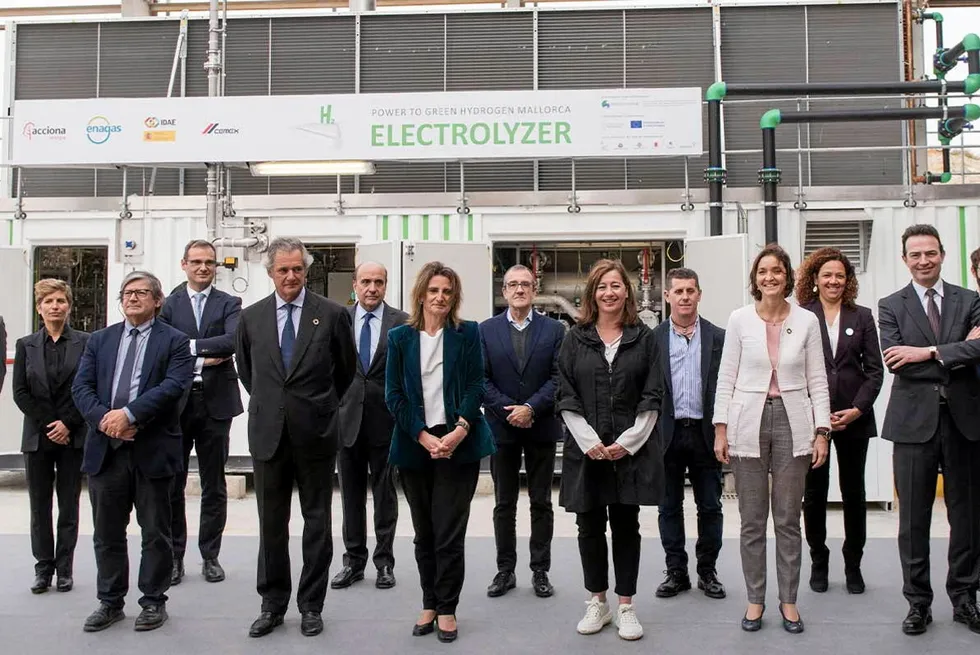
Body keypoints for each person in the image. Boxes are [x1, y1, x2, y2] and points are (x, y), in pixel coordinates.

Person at [235, 237, 356, 639]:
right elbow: (247, 372)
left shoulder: (333, 315)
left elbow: (344, 371)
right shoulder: (250, 318)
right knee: (271, 524)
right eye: (283, 269)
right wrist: (277, 405)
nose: (291, 276)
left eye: (297, 269)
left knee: (316, 523)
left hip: (316, 435)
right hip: (269, 434)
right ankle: (272, 604)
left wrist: (316, 407)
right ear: (270, 272)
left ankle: (311, 606)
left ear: (307, 271)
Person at [713, 244, 830, 635]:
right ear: (755, 278)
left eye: (777, 270)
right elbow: (726, 376)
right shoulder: (739, 319)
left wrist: (822, 431)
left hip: (794, 421)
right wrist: (721, 427)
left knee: (787, 520)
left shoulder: (807, 321)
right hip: (748, 419)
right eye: (763, 271)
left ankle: (789, 601)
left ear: (788, 276)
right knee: (751, 521)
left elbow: (818, 379)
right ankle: (755, 599)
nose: (770, 277)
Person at [71, 271, 194, 633]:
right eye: (127, 293)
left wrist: (130, 414)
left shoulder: (175, 341)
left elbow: (174, 386)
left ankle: (153, 601)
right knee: (107, 532)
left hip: (152, 448)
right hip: (106, 450)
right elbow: (82, 386)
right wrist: (106, 421)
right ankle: (110, 602)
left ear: (157, 300)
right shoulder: (100, 340)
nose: (133, 298)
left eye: (141, 293)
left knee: (155, 531)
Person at [385, 261, 496, 643]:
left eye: (447, 291)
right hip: (417, 446)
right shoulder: (399, 337)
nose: (440, 297)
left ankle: (447, 607)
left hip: (458, 445)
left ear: (455, 296)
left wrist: (460, 429)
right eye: (434, 290)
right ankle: (428, 601)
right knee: (424, 533)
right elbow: (393, 395)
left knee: (449, 533)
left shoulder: (468, 334)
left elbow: (476, 385)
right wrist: (422, 436)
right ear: (421, 294)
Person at [878, 224, 980, 636]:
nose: (924, 261)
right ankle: (918, 603)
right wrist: (957, 351)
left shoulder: (970, 299)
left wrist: (929, 351)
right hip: (912, 425)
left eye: (931, 253)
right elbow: (895, 362)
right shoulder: (890, 305)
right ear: (905, 259)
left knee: (968, 518)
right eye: (916, 254)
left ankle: (965, 598)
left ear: (942, 254)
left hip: (966, 423)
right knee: (913, 522)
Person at [556, 258, 663, 641]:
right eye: (602, 286)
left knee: (625, 526)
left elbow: (653, 394)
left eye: (616, 285)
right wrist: (590, 442)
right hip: (587, 452)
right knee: (588, 526)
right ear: (592, 293)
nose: (609, 292)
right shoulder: (575, 338)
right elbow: (565, 393)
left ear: (627, 292)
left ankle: (626, 606)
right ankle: (596, 601)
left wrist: (627, 443)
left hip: (628, 452)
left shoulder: (643, 337)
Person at [796, 248, 883, 595]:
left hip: (853, 420)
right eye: (827, 275)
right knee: (814, 495)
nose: (834, 281)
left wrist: (858, 409)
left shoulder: (861, 316)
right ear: (814, 280)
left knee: (854, 493)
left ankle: (853, 564)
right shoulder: (801, 316)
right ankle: (819, 560)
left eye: (840, 276)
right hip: (812, 420)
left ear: (848, 281)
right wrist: (817, 416)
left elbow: (875, 371)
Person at [161, 239, 243, 586]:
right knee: (172, 484)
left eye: (209, 262)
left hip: (216, 405)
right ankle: (175, 557)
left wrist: (186, 349)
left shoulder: (230, 303)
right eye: (196, 262)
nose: (203, 268)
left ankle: (210, 556)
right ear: (184, 264)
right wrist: (200, 354)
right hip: (175, 404)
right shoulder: (167, 305)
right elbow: (162, 344)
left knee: (214, 484)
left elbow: (233, 340)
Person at [480, 264, 564, 599]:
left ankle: (540, 570)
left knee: (542, 502)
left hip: (541, 425)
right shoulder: (485, 330)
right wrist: (510, 411)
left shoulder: (554, 330)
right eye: (513, 284)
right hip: (502, 429)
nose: (519, 290)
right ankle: (505, 570)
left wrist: (531, 408)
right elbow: (481, 379)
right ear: (504, 291)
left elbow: (559, 377)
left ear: (534, 288)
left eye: (525, 284)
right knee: (504, 503)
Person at [332, 262, 407, 591]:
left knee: (385, 496)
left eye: (378, 281)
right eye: (366, 281)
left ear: (385, 285)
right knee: (350, 497)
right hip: (346, 421)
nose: (372, 288)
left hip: (385, 423)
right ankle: (353, 561)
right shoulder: (339, 320)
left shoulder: (402, 322)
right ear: (355, 285)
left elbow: (408, 375)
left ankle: (385, 562)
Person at [652, 268, 726, 601]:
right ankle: (676, 572)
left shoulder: (718, 337)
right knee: (668, 507)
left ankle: (707, 572)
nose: (684, 297)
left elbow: (727, 387)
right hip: (666, 434)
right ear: (667, 296)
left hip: (704, 433)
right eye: (678, 291)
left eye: (690, 291)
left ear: (699, 294)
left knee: (710, 506)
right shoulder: (650, 339)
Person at [13, 279, 90, 594]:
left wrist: (68, 423)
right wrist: (50, 424)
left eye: (60, 300)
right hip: (39, 436)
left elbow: (88, 386)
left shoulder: (86, 342)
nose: (55, 306)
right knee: (39, 507)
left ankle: (65, 569)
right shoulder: (25, 345)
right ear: (39, 308)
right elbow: (20, 392)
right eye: (49, 302)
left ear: (69, 305)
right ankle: (43, 568)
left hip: (73, 436)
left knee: (69, 504)